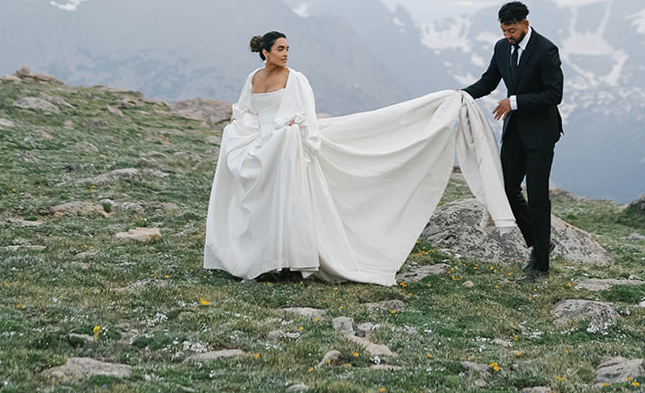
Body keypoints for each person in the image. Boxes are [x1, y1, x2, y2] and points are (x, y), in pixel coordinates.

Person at [203, 30, 516, 286]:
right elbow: (244, 110)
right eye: (280, 49)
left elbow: (303, 115)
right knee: (256, 194)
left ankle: (284, 259)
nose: (286, 53)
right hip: (262, 142)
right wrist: (239, 128)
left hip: (285, 144)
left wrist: (288, 129)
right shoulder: (253, 78)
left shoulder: (294, 78)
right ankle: (258, 257)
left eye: (288, 48)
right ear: (265, 53)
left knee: (288, 191)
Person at [463, 1, 563, 282]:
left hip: (541, 133)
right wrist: (462, 95)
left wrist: (514, 102)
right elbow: (489, 81)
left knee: (538, 197)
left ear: (525, 23)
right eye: (504, 30)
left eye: (512, 30)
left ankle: (541, 266)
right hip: (514, 132)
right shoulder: (501, 47)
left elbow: (554, 95)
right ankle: (539, 243)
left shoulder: (546, 50)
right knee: (506, 188)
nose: (508, 35)